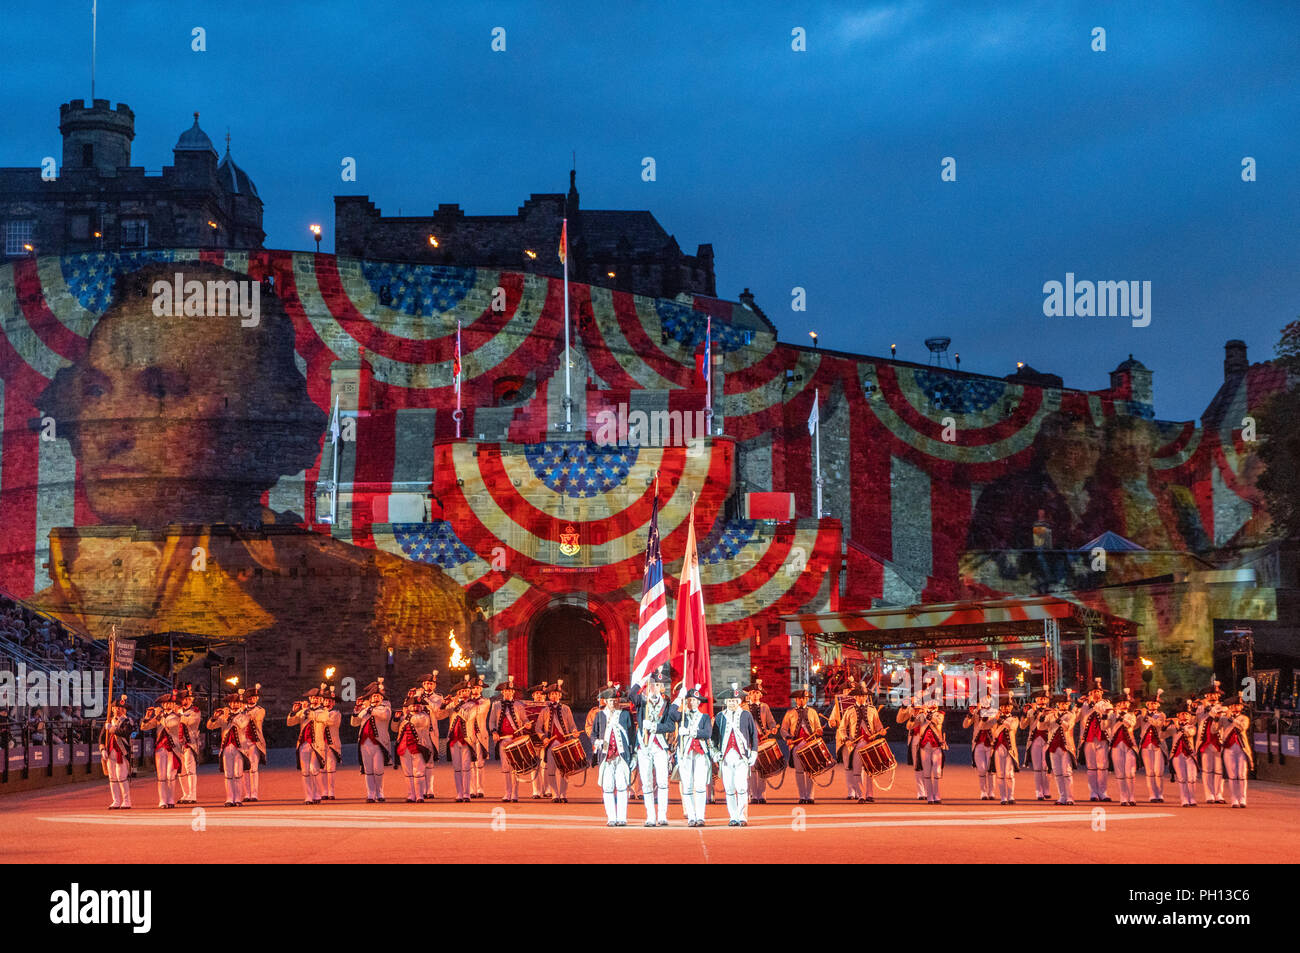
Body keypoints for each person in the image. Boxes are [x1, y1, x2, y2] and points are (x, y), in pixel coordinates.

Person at [629, 666, 674, 826]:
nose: (655, 688)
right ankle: (650, 816)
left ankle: (662, 815)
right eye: (652, 684)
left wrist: (655, 727)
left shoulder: (667, 705)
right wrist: (641, 679)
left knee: (662, 781)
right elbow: (631, 695)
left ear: (662, 687)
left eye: (657, 685)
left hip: (660, 746)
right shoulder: (642, 702)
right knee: (646, 781)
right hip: (644, 746)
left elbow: (670, 726)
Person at [713, 684, 758, 826]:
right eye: (730, 700)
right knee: (730, 788)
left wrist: (754, 751)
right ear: (726, 702)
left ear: (739, 701)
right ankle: (733, 816)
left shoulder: (746, 715)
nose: (732, 703)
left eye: (734, 700)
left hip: (741, 757)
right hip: (726, 757)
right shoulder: (720, 717)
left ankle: (743, 816)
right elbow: (714, 738)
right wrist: (714, 752)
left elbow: (753, 734)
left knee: (742, 787)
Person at [590, 685, 634, 827]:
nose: (613, 703)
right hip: (606, 757)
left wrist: (634, 755)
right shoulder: (600, 715)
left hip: (621, 756)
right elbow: (593, 734)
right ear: (606, 702)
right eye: (610, 701)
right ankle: (611, 818)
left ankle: (622, 818)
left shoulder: (625, 715)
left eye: (615, 700)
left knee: (622, 787)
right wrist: (596, 742)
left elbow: (631, 735)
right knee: (608, 787)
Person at [836, 683, 886, 804]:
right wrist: (846, 739)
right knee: (856, 771)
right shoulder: (849, 711)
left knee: (870, 770)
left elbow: (878, 726)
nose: (862, 698)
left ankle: (869, 794)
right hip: (855, 745)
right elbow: (841, 729)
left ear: (867, 697)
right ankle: (860, 795)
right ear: (855, 697)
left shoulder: (872, 710)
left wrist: (881, 731)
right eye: (859, 696)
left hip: (870, 743)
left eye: (864, 696)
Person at [672, 685, 713, 827]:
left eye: (694, 700)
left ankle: (700, 816)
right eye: (689, 700)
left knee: (700, 785)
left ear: (698, 702)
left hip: (700, 754)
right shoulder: (681, 715)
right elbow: (671, 713)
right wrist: (678, 698)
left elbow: (707, 733)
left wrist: (689, 731)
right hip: (685, 753)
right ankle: (691, 816)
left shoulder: (705, 717)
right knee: (687, 787)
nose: (691, 703)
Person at [534, 680, 578, 804]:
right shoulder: (544, 710)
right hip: (551, 744)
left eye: (556, 694)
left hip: (564, 742)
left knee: (565, 771)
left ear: (560, 696)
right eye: (552, 694)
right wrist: (543, 737)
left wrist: (574, 732)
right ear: (549, 696)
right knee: (551, 770)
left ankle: (563, 794)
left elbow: (572, 725)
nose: (554, 696)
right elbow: (538, 728)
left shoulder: (566, 709)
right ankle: (555, 794)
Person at [780, 686, 825, 805]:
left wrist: (819, 730)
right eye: (800, 699)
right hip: (797, 744)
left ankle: (810, 796)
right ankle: (802, 795)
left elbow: (818, 727)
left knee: (810, 771)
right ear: (796, 700)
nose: (802, 701)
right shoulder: (790, 713)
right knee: (799, 771)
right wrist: (788, 737)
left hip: (810, 744)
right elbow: (783, 729)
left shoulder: (813, 712)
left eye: (804, 699)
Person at [206, 690, 252, 807]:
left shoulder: (245, 715)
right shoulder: (224, 716)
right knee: (228, 774)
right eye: (232, 703)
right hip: (226, 747)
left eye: (237, 703)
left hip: (239, 748)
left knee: (238, 773)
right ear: (229, 704)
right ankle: (229, 798)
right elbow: (210, 726)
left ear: (240, 704)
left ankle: (238, 798)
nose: (234, 705)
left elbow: (241, 725)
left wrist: (230, 716)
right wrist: (214, 717)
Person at [350, 679, 393, 803]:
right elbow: (354, 723)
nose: (375, 698)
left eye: (377, 696)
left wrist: (368, 709)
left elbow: (384, 715)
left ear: (381, 698)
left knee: (378, 769)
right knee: (368, 770)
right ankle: (370, 793)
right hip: (365, 742)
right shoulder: (364, 709)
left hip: (379, 743)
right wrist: (356, 711)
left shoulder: (385, 708)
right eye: (373, 696)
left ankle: (380, 791)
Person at [489, 675, 530, 803]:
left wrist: (527, 724)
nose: (508, 693)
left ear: (513, 693)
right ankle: (507, 792)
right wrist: (494, 732)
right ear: (502, 692)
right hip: (503, 740)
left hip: (516, 740)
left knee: (515, 767)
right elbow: (492, 723)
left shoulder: (519, 705)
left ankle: (515, 793)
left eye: (510, 691)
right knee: (505, 768)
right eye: (506, 691)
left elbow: (525, 720)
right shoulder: (496, 705)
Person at [140, 690, 183, 809]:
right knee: (161, 776)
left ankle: (170, 799)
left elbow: (170, 725)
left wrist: (158, 716)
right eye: (165, 704)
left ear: (174, 705)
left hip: (173, 749)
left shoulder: (177, 716)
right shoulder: (159, 717)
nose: (167, 706)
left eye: (170, 704)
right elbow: (144, 727)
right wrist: (147, 717)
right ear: (162, 705)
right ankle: (162, 800)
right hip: (160, 748)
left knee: (170, 775)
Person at [393, 688, 435, 803]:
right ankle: (411, 795)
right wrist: (396, 719)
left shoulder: (424, 716)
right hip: (404, 747)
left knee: (419, 772)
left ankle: (419, 795)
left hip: (418, 747)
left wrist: (406, 717)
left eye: (417, 705)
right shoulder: (404, 718)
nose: (415, 707)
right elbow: (394, 729)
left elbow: (419, 723)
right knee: (408, 773)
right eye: (413, 706)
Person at [287, 685, 328, 804]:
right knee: (305, 772)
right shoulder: (303, 711)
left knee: (314, 769)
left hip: (317, 744)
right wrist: (294, 711)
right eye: (312, 698)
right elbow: (290, 722)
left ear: (320, 699)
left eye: (316, 698)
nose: (314, 700)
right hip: (304, 743)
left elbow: (321, 718)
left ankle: (317, 794)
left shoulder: (323, 711)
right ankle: (308, 796)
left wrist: (307, 711)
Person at [444, 678, 481, 802]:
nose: (464, 693)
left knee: (466, 767)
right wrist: (444, 703)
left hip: (466, 739)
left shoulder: (473, 705)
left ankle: (466, 793)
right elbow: (440, 713)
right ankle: (459, 793)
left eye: (466, 691)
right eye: (462, 691)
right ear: (458, 693)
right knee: (457, 768)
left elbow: (467, 717)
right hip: (454, 739)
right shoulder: (453, 703)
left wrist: (457, 705)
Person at [743, 679, 779, 805]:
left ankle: (762, 795)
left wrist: (773, 728)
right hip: (749, 741)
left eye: (757, 693)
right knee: (752, 769)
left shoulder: (765, 707)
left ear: (761, 695)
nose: (755, 695)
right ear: (749, 694)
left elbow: (771, 721)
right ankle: (754, 794)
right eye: (753, 693)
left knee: (763, 768)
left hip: (762, 739)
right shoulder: (743, 708)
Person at [1077, 678, 1112, 802]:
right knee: (1091, 766)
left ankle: (1103, 792)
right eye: (1094, 691)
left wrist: (1093, 704)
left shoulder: (1106, 703)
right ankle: (1093, 792)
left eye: (1099, 691)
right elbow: (1075, 719)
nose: (1097, 693)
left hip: (1102, 737)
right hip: (1088, 738)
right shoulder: (1084, 705)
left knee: (1102, 766)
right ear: (1090, 693)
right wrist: (1078, 705)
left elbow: (1106, 713)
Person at [1042, 692, 1078, 806]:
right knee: (1057, 773)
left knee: (1067, 772)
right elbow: (1041, 727)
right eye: (1062, 704)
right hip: (1053, 746)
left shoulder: (1071, 715)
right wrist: (1042, 717)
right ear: (1057, 704)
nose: (1064, 705)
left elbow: (1068, 727)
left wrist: (1060, 720)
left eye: (1066, 704)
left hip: (1065, 746)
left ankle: (1070, 797)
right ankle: (1062, 796)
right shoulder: (1051, 715)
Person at [1194, 681, 1227, 805]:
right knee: (1207, 770)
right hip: (1205, 741)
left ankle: (1219, 793)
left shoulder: (1224, 707)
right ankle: (1209, 794)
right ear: (1206, 696)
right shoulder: (1200, 707)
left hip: (1219, 741)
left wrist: (1214, 710)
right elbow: (1195, 719)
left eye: (1215, 695)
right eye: (1210, 695)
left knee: (1219, 770)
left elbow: (1222, 717)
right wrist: (1196, 708)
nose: (1213, 697)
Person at [99, 694, 134, 810]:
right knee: (112, 777)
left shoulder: (127, 721)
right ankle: (116, 801)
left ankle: (126, 801)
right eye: (115, 708)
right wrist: (102, 748)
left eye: (119, 708)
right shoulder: (108, 721)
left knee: (121, 777)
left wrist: (112, 729)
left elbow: (125, 733)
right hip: (110, 752)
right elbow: (101, 737)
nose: (117, 711)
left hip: (121, 753)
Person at [1219, 694, 1253, 809]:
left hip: (1241, 748)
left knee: (1242, 774)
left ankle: (1242, 798)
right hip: (1229, 748)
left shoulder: (1244, 718)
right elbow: (1214, 730)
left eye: (1238, 705)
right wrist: (1215, 716)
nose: (1235, 708)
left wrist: (1232, 719)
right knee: (1232, 775)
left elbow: (1242, 727)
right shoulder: (1224, 719)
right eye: (1233, 706)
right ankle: (1234, 798)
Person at [1107, 689, 1140, 806]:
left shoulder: (1131, 715)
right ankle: (1123, 797)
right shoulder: (1112, 715)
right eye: (1121, 703)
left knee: (1130, 772)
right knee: (1120, 773)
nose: (1124, 705)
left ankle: (1131, 796)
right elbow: (1103, 727)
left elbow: (1130, 724)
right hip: (1116, 745)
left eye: (1126, 703)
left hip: (1129, 745)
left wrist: (1121, 717)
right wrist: (1104, 716)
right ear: (1117, 705)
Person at [1136, 689, 1169, 803]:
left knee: (1158, 771)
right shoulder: (1142, 716)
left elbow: (1158, 724)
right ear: (1147, 704)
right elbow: (1134, 726)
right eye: (1150, 703)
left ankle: (1159, 794)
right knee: (1149, 772)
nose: (1152, 705)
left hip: (1158, 745)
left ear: (1158, 704)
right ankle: (1152, 794)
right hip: (1146, 745)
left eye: (1154, 703)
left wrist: (1147, 717)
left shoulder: (1161, 715)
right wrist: (1136, 715)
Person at [416, 672, 446, 799]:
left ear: (434, 686)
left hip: (431, 732)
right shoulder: (417, 696)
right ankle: (420, 789)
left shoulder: (438, 698)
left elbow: (437, 712)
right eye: (427, 683)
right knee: (419, 762)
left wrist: (426, 700)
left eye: (431, 684)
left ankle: (430, 789)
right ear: (423, 684)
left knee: (430, 762)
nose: (429, 686)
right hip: (418, 731)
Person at [1021, 690, 1053, 801]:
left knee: (1046, 766)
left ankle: (1046, 789)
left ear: (1047, 700)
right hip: (1034, 740)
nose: (1042, 700)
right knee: (1037, 768)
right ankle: (1038, 791)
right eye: (1040, 698)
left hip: (1047, 739)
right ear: (1036, 700)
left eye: (1044, 698)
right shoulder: (1031, 712)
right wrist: (1025, 714)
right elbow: (1022, 726)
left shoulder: (1051, 711)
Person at [895, 694, 928, 800]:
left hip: (927, 739)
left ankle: (929, 790)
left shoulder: (928, 708)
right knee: (917, 766)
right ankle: (921, 792)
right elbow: (899, 720)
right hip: (915, 738)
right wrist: (904, 707)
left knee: (927, 766)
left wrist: (925, 712)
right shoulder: (911, 709)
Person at [963, 697, 997, 801]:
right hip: (978, 742)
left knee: (990, 768)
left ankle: (991, 791)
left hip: (990, 742)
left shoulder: (995, 712)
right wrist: (970, 715)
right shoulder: (976, 712)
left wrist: (983, 716)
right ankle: (983, 791)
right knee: (981, 769)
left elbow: (987, 725)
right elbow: (965, 725)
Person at [1165, 708, 1200, 807]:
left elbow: (1189, 733)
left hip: (1190, 755)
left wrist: (1177, 725)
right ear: (1178, 715)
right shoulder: (1172, 727)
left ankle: (1192, 798)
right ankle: (1184, 799)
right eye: (1182, 713)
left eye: (1186, 714)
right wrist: (1165, 724)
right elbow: (1162, 734)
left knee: (1192, 778)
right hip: (1177, 754)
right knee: (1182, 778)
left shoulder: (1192, 726)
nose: (1184, 716)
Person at [916, 702, 948, 804]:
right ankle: (929, 796)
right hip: (924, 746)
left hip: (936, 746)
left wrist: (928, 714)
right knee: (926, 772)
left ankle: (937, 795)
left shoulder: (939, 714)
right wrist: (914, 714)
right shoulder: (921, 715)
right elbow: (911, 725)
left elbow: (938, 721)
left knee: (937, 772)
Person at [176, 685, 202, 804]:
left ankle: (193, 794)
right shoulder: (178, 711)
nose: (184, 701)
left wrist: (178, 717)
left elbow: (192, 722)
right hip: (178, 743)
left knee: (190, 768)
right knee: (181, 771)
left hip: (190, 742)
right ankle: (185, 794)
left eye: (186, 699)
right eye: (183, 699)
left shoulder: (195, 711)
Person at [991, 698, 1020, 805]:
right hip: (998, 748)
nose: (1006, 708)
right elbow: (994, 734)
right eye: (1003, 706)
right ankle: (1003, 797)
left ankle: (1011, 796)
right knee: (1000, 774)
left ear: (1011, 707)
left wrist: (1001, 721)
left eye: (1008, 706)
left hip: (1010, 748)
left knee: (1009, 774)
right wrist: (997, 721)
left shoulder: (1014, 719)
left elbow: (1011, 727)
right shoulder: (995, 720)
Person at [242, 683, 267, 802]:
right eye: (251, 697)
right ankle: (247, 793)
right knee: (244, 769)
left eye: (255, 697)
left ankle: (254, 794)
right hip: (242, 742)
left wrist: (243, 712)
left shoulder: (260, 710)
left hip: (254, 741)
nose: (253, 699)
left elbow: (256, 718)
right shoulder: (241, 709)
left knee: (253, 768)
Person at [467, 676, 492, 798]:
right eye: (474, 688)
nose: (476, 689)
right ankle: (472, 789)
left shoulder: (486, 701)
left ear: (481, 689)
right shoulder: (466, 701)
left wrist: (466, 704)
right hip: (469, 734)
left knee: (480, 763)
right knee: (471, 763)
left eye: (478, 687)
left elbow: (478, 712)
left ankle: (480, 788)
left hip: (481, 734)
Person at [320, 684, 343, 800]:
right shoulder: (319, 711)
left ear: (333, 703)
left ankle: (331, 791)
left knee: (331, 768)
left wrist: (318, 715)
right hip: (321, 744)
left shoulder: (336, 713)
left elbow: (330, 721)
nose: (328, 703)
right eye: (326, 700)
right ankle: (324, 791)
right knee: (322, 768)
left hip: (332, 744)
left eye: (330, 701)